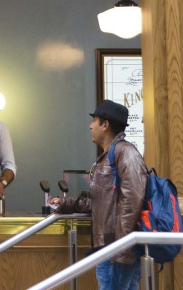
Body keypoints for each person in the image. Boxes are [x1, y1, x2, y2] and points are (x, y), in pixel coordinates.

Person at [51, 100, 147, 290]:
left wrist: (120, 249)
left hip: (115, 250)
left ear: (105, 124)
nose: (90, 126)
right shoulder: (112, 154)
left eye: (94, 121)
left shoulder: (125, 152)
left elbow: (132, 202)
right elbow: (103, 203)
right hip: (112, 249)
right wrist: (67, 203)